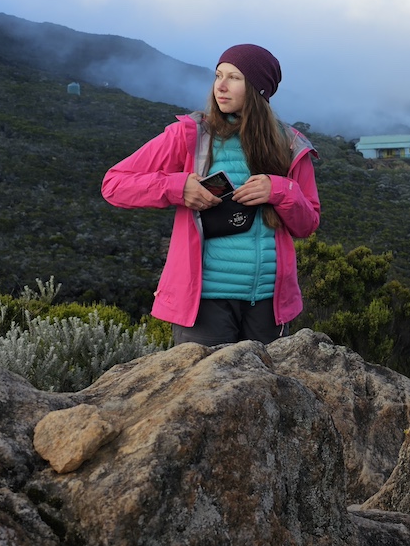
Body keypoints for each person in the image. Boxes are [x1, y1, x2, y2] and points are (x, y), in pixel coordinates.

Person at [102, 43, 320, 345]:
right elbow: (114, 184)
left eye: (234, 77)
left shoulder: (291, 145)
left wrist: (280, 191)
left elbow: (307, 224)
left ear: (258, 89)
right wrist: (178, 187)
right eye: (218, 75)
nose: (221, 86)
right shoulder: (190, 135)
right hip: (205, 305)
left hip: (268, 306)